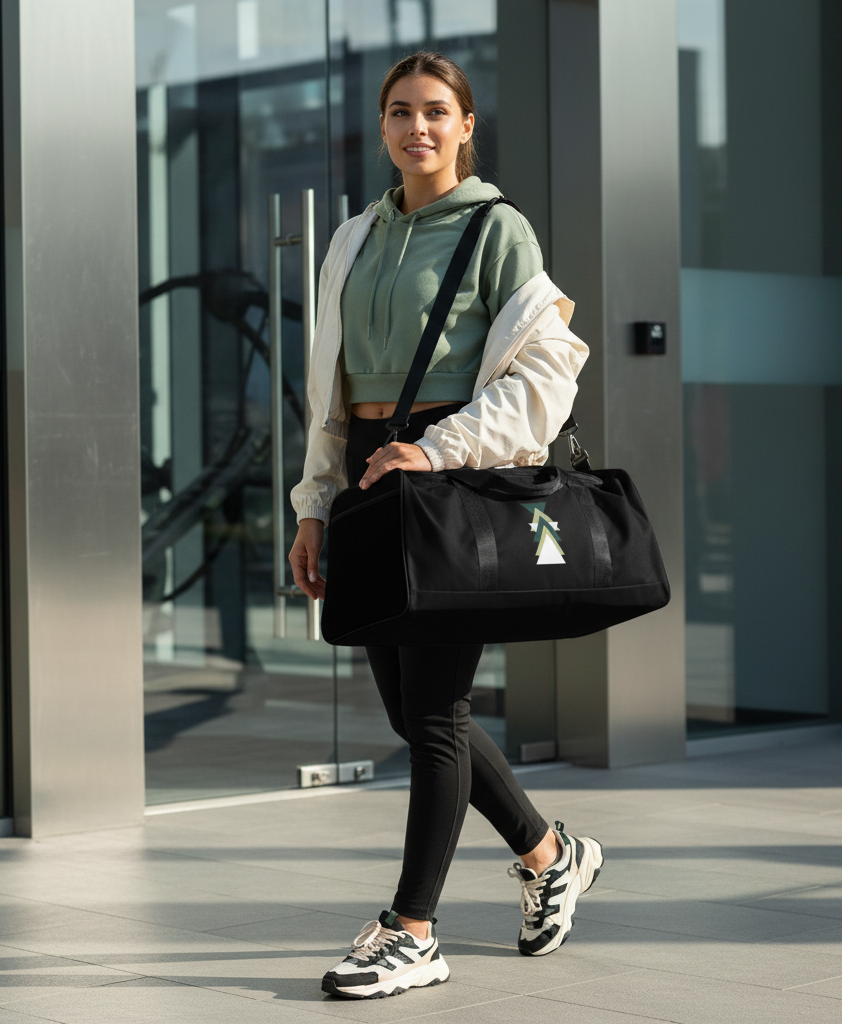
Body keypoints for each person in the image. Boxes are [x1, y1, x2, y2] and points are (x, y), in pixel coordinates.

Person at [289, 51, 603, 1000]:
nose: (415, 128)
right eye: (398, 112)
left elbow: (549, 378)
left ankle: (412, 930)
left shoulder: (499, 230)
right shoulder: (352, 239)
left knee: (433, 713)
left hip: (450, 481)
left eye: (435, 112)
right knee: (412, 709)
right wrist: (313, 508)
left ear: (467, 126)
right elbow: (331, 400)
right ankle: (553, 855)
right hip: (369, 489)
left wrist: (439, 447)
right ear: (380, 128)